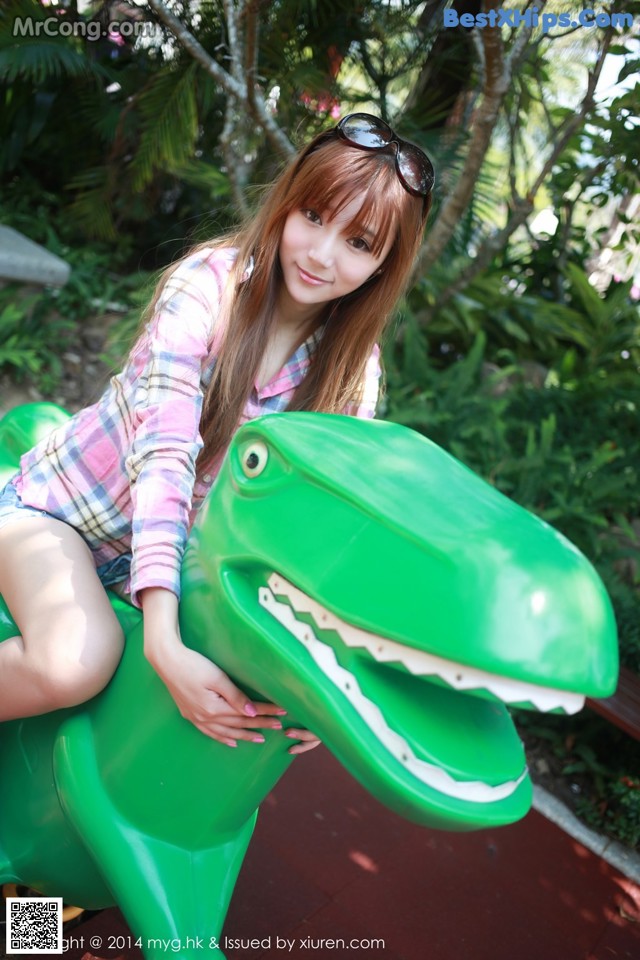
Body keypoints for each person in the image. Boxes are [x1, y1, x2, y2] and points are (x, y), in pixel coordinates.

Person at [0, 113, 434, 753]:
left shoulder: (352, 375)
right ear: (286, 205)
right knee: (76, 661)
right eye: (314, 216)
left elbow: (313, 529)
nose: (321, 254)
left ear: (383, 265)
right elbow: (165, 454)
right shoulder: (208, 286)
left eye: (359, 242)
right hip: (61, 514)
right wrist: (163, 639)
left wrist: (326, 680)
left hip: (175, 572)